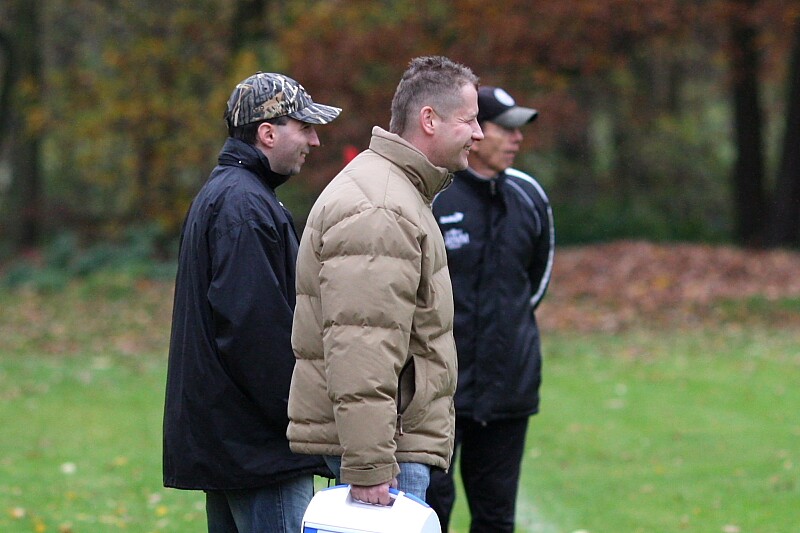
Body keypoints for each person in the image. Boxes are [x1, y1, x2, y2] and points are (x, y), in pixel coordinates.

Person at [286, 56, 484, 507]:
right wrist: (370, 466)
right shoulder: (381, 207)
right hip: (391, 455)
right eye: (469, 120)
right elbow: (362, 345)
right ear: (429, 120)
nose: (479, 133)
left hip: (394, 443)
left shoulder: (398, 193)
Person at [162, 72, 341, 533]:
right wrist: (306, 423)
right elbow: (255, 335)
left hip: (235, 445)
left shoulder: (232, 195)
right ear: (267, 133)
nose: (315, 141)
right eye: (304, 127)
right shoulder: (244, 206)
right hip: (260, 452)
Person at [426, 85, 555, 532]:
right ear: (476, 133)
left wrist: (504, 327)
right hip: (440, 391)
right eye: (507, 128)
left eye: (520, 130)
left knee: (497, 518)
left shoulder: (529, 195)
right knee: (429, 511)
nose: (517, 139)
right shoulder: (434, 194)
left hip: (508, 389)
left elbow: (536, 281)